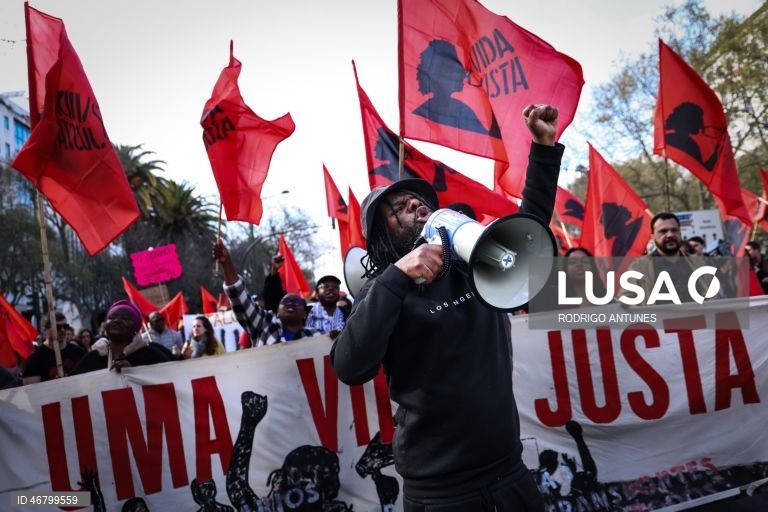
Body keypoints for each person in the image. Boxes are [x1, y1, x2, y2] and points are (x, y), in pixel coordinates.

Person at [331, 104, 562, 511]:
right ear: (383, 239)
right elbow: (350, 365)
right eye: (400, 208)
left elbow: (528, 233)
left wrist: (543, 148)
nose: (418, 206)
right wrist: (397, 276)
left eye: (420, 202)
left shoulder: (473, 268)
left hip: (509, 472)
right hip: (441, 493)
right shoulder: (382, 294)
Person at [213, 241, 321, 347]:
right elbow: (238, 294)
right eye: (286, 301)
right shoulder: (264, 325)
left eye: (297, 302)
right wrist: (227, 262)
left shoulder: (316, 336)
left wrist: (333, 340)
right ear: (277, 311)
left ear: (305, 314)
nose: (290, 303)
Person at [619, 212, 709, 304]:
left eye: (674, 230)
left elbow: (714, 297)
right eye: (663, 231)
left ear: (680, 233)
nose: (670, 235)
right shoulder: (639, 267)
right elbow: (625, 302)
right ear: (653, 237)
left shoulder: (698, 264)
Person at [71, 300, 171, 374]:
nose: (117, 320)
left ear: (136, 327)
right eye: (112, 318)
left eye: (125, 318)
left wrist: (135, 372)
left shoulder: (151, 354)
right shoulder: (93, 357)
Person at [22, 312, 85, 384]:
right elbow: (31, 391)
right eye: (57, 327)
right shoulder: (35, 360)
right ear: (46, 330)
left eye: (65, 326)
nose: (62, 330)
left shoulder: (78, 352)